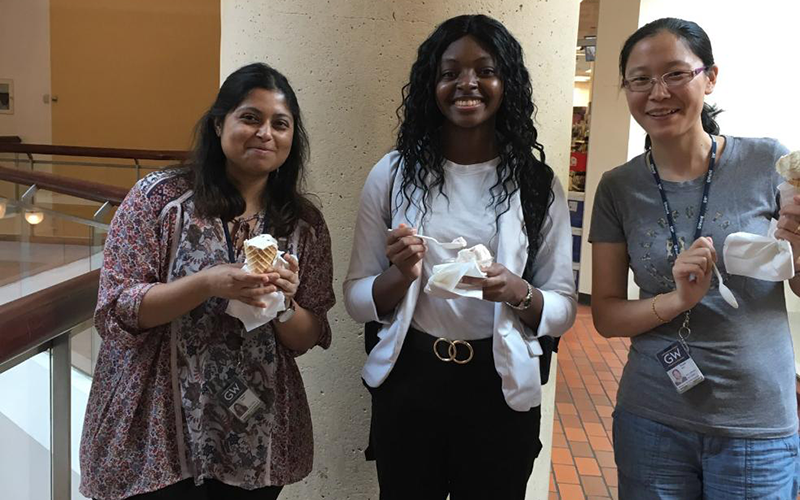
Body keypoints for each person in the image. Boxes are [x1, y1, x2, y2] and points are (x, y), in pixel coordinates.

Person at [344, 14, 576, 500]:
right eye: (449, 72)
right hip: (411, 379)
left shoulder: (536, 185)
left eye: (485, 70)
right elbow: (356, 298)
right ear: (432, 84)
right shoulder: (393, 175)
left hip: (500, 389)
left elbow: (562, 307)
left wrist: (518, 291)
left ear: (505, 83)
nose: (466, 83)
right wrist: (401, 276)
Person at [79, 63, 335, 500]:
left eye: (280, 123)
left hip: (256, 428)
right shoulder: (158, 200)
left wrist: (284, 304)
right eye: (250, 117)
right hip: (155, 424)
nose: (265, 133)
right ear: (220, 124)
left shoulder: (303, 224)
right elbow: (120, 307)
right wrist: (207, 283)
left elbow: (308, 335)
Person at [590, 17, 800, 499]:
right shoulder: (618, 187)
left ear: (710, 77)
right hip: (653, 417)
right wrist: (677, 301)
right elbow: (605, 314)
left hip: (756, 424)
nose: (657, 92)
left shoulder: (766, 162)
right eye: (640, 79)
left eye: (675, 74)